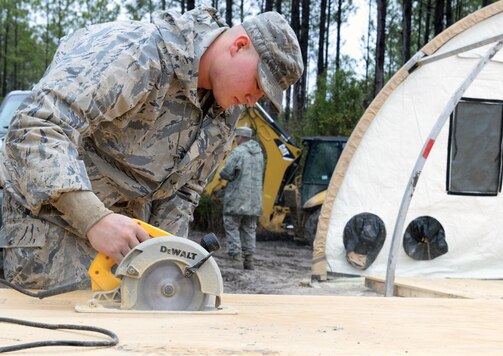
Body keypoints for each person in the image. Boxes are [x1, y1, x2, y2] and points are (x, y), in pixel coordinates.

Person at [0, 7, 303, 289]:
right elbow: (36, 127)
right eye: (258, 84)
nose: (253, 99)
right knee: (68, 341)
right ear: (238, 45)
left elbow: (184, 191)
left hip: (123, 246)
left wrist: (168, 264)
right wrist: (93, 218)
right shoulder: (138, 51)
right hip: (51, 229)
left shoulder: (225, 111)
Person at [219, 126, 264, 270]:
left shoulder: (238, 152)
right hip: (254, 201)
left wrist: (225, 175)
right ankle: (249, 260)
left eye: (236, 137)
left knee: (232, 226)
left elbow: (226, 172)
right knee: (250, 229)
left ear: (240, 137)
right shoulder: (259, 154)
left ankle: (235, 259)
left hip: (236, 198)